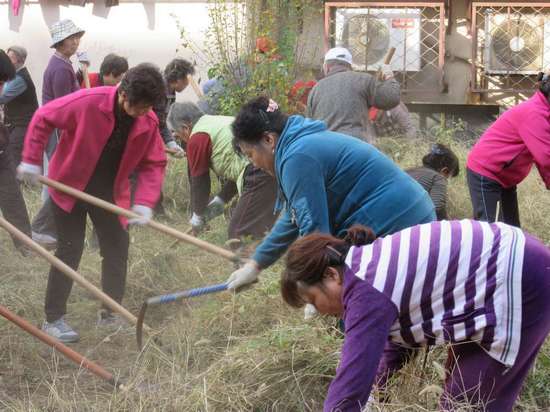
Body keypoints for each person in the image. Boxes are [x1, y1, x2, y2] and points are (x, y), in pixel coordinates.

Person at [281, 220, 550, 412]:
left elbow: (349, 386)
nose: (318, 312)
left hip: (517, 281)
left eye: (313, 301)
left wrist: (359, 398)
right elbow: (394, 346)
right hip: (502, 270)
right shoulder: (367, 268)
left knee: (468, 403)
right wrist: (378, 392)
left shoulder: (365, 290)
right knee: (460, 390)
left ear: (331, 275)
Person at [17, 63, 167, 343]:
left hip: (110, 194)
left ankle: (110, 314)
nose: (142, 113)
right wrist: (31, 159)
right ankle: (53, 319)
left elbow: (154, 162)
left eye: (148, 107)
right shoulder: (89, 102)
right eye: (138, 107)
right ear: (123, 93)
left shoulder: (148, 121)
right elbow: (43, 116)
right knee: (70, 249)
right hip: (69, 187)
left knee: (117, 248)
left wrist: (145, 202)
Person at [226, 96, 435, 290]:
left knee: (359, 298)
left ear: (268, 140)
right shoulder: (298, 144)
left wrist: (314, 286)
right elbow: (294, 217)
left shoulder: (297, 157)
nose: (254, 164)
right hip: (411, 213)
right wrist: (256, 264)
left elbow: (315, 233)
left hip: (400, 222)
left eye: (250, 154)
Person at [167, 102, 278, 239]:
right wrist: (221, 200)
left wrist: (197, 215)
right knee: (260, 231)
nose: (181, 140)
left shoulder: (197, 137)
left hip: (259, 172)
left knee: (238, 233)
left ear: (185, 128)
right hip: (271, 168)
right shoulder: (218, 122)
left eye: (178, 135)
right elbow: (239, 168)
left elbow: (200, 182)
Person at [466, 71, 550, 228]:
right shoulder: (534, 113)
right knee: (488, 231)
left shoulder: (544, 111)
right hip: (486, 173)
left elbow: (542, 154)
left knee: (512, 229)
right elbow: (546, 158)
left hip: (505, 176)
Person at [31, 19, 85, 248]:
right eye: (72, 38)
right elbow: (64, 108)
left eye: (77, 38)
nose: (76, 42)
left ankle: (45, 228)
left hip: (54, 128)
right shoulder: (61, 68)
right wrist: (70, 138)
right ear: (60, 42)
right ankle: (40, 228)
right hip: (56, 129)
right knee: (59, 180)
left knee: (56, 179)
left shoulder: (62, 64)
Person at [306, 47, 400, 143]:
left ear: (326, 67)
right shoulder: (363, 80)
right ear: (349, 66)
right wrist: (389, 75)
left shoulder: (315, 90)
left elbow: (309, 126)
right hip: (356, 145)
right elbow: (392, 97)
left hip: (326, 146)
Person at [0, 49, 32, 255]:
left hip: (2, 153)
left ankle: (25, 245)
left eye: (3, 83)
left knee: (12, 196)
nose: (1, 89)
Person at [0, 46, 39, 167]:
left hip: (23, 124)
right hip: (15, 123)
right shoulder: (13, 76)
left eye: (9, 58)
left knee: (13, 154)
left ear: (19, 60)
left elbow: (2, 97)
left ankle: (16, 178)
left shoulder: (20, 78)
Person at [407, 143, 459, 220]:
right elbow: (437, 208)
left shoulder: (410, 171)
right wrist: (447, 224)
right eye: (448, 176)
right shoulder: (438, 177)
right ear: (445, 171)